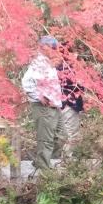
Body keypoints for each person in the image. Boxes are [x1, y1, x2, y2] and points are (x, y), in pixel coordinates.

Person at [22, 36, 77, 171]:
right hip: (44, 107)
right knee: (46, 139)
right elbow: (26, 82)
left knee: (62, 136)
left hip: (55, 106)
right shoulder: (38, 63)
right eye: (52, 47)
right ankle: (43, 168)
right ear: (44, 47)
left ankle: (40, 160)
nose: (55, 50)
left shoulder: (48, 62)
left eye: (55, 47)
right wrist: (38, 96)